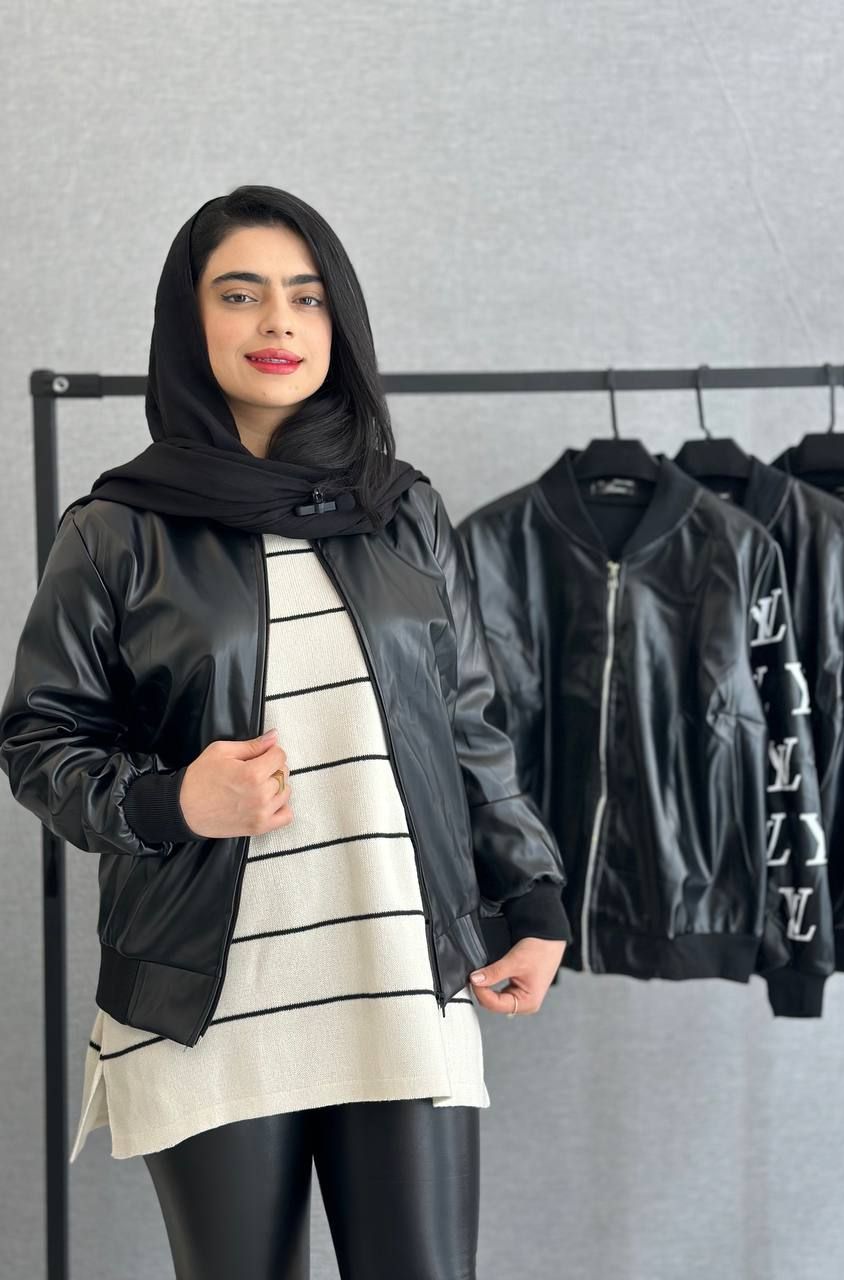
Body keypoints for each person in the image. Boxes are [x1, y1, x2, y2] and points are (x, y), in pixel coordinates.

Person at [0, 185, 572, 1280]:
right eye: (241, 294)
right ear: (190, 319)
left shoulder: (402, 510)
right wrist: (174, 798)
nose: (278, 323)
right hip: (207, 1002)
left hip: (400, 973)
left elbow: (465, 721)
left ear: (338, 321)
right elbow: (40, 740)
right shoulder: (117, 529)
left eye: (307, 297)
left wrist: (535, 896)